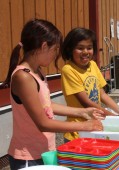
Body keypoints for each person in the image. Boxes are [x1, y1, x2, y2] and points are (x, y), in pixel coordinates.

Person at [1, 19, 105, 170]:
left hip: (43, 151)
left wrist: (83, 111)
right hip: (28, 157)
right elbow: (43, 123)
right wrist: (85, 125)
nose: (56, 54)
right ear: (44, 46)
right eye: (55, 49)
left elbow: (46, 105)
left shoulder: (37, 73)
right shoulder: (23, 77)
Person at [61, 27, 119, 141]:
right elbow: (86, 102)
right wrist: (112, 117)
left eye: (89, 48)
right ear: (69, 49)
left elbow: (103, 95)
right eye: (80, 48)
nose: (85, 52)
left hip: (95, 126)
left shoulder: (93, 65)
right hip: (78, 133)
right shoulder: (68, 70)